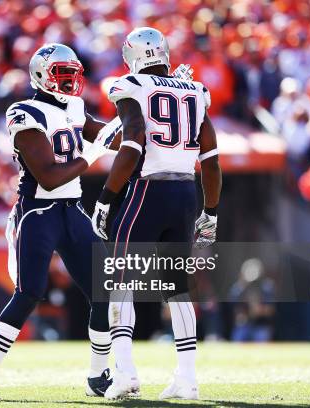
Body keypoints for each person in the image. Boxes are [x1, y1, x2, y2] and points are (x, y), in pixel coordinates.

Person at [0, 43, 123, 400]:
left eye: (73, 73)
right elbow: (50, 177)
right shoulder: (23, 112)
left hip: (72, 209)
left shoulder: (76, 107)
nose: (70, 81)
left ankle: (98, 375)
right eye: (62, 74)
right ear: (41, 75)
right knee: (29, 294)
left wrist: (142, 110)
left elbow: (108, 135)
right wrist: (93, 152)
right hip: (38, 211)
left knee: (104, 290)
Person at [91, 27, 222, 400]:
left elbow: (132, 142)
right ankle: (187, 377)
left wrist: (105, 197)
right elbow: (211, 161)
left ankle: (126, 372)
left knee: (119, 281)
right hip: (185, 193)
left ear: (132, 56)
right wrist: (210, 211)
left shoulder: (128, 85)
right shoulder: (196, 91)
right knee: (178, 289)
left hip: (149, 190)